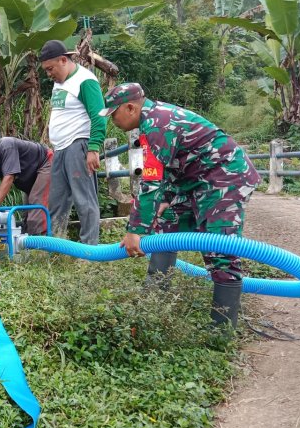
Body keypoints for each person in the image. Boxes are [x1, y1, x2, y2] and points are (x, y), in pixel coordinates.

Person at [99, 83, 261, 327]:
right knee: (167, 229)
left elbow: (150, 184)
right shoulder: (150, 121)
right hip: (194, 182)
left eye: (113, 114)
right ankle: (152, 306)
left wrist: (135, 230)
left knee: (219, 248)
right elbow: (171, 166)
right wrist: (166, 199)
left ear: (130, 107)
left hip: (223, 177)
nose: (113, 121)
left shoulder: (157, 125)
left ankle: (221, 329)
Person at [39, 39, 107, 245]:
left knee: (84, 199)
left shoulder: (85, 80)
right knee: (57, 201)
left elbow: (100, 115)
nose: (48, 74)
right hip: (60, 149)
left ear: (63, 60)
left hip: (78, 145)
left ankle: (89, 249)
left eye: (50, 68)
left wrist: (94, 148)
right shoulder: (59, 83)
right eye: (45, 70)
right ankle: (57, 245)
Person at [0, 137, 53, 235]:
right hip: (30, 178)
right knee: (27, 214)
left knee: (36, 205)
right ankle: (28, 245)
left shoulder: (7, 146)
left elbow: (9, 178)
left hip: (45, 163)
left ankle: (42, 245)